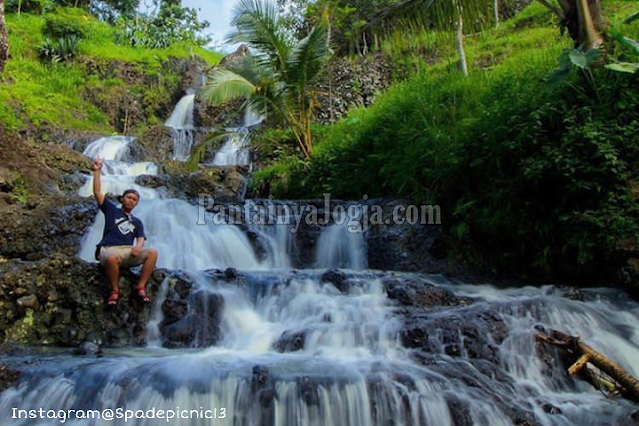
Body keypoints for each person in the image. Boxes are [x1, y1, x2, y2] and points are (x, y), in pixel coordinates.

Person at [93, 158, 158, 306]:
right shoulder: (111, 211)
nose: (130, 201)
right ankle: (115, 290)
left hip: (128, 252)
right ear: (122, 199)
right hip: (109, 249)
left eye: (134, 199)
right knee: (112, 259)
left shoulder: (137, 221)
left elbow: (141, 237)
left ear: (136, 203)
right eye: (128, 197)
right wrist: (97, 171)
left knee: (152, 253)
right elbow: (97, 192)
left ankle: (140, 286)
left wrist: (138, 246)